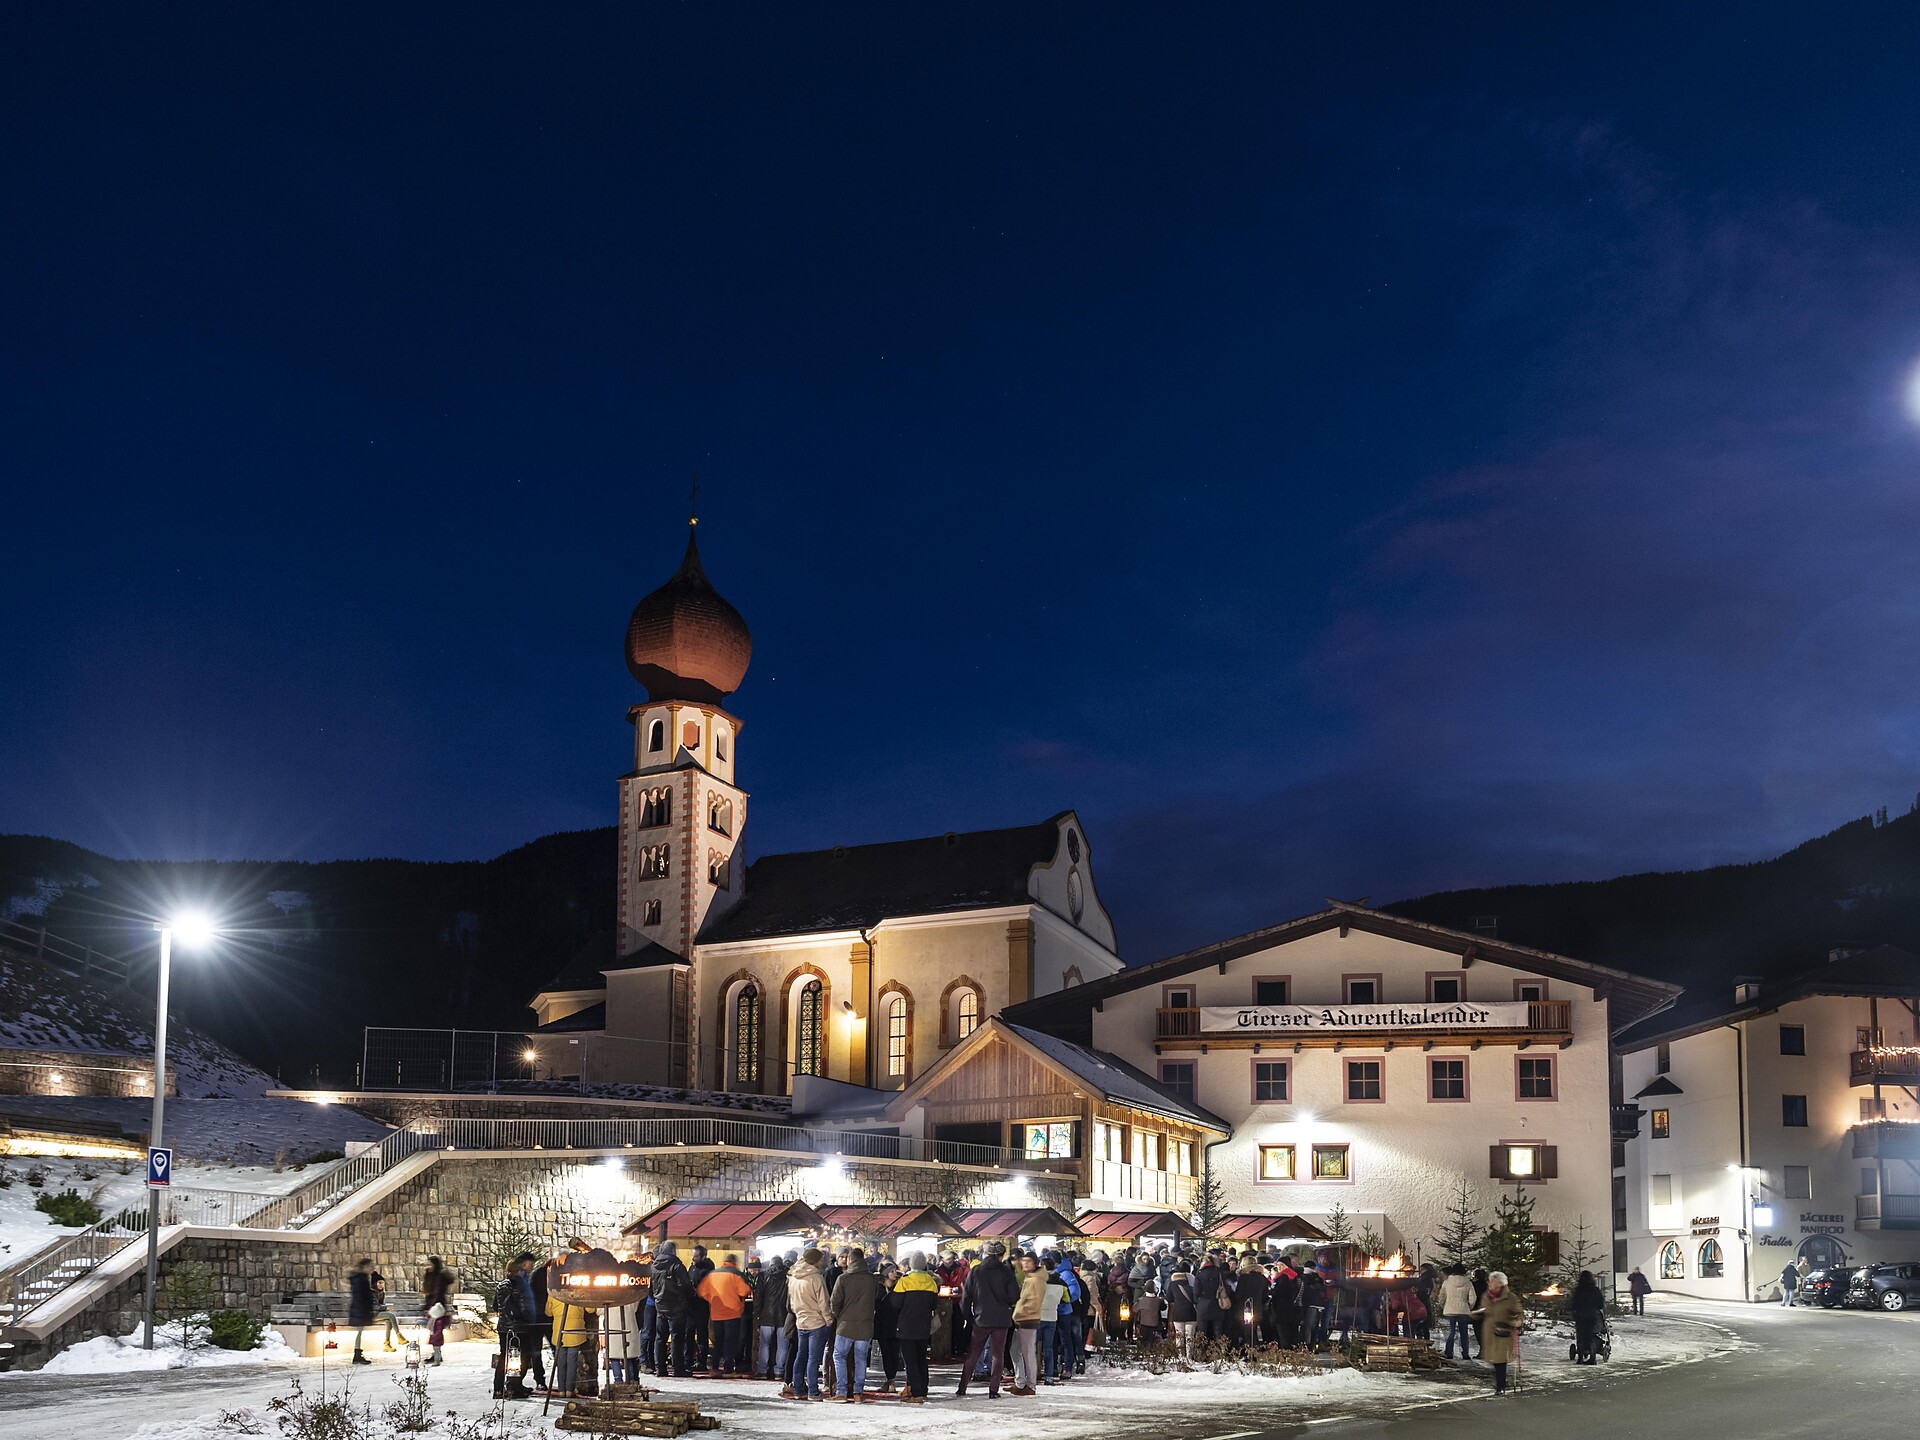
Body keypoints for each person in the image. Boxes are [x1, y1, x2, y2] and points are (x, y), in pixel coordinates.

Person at [956, 1241, 1018, 1398]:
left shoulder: (976, 1271)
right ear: (1001, 1255)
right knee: (998, 1354)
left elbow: (965, 1298)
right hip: (1001, 1319)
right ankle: (993, 1390)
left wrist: (970, 1318)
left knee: (973, 1353)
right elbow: (1014, 1296)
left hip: (981, 1318)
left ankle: (962, 1387)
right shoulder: (1006, 1272)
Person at [828, 1247, 879, 1402]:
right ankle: (858, 1392)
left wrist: (840, 1316)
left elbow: (834, 1302)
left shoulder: (843, 1278)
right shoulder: (872, 1279)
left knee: (839, 1356)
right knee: (861, 1358)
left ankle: (842, 1391)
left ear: (850, 1260)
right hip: (866, 1324)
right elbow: (875, 1298)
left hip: (845, 1324)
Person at [891, 1253, 939, 1404]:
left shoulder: (905, 1281)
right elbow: (934, 1304)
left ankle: (916, 1394)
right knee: (921, 1359)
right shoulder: (930, 1281)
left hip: (907, 1326)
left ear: (911, 1264)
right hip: (924, 1327)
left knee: (910, 1361)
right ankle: (923, 1390)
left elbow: (895, 1303)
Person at [787, 1248, 832, 1401]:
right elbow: (823, 1302)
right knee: (813, 1357)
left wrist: (799, 1314)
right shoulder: (816, 1278)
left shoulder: (793, 1276)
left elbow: (792, 1303)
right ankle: (813, 1391)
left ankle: (798, 1389)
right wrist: (828, 1320)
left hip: (801, 1321)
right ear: (816, 1260)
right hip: (816, 1322)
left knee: (801, 1355)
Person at [698, 1253, 754, 1375]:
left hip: (716, 1313)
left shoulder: (712, 1274)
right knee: (730, 1342)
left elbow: (701, 1291)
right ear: (734, 1263)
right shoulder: (736, 1274)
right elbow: (745, 1291)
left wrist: (712, 1300)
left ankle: (715, 1368)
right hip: (733, 1313)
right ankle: (728, 1369)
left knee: (717, 1342)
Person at [1472, 1270, 1525, 1395]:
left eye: (1491, 1282)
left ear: (1499, 1284)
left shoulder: (1510, 1297)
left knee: (1500, 1360)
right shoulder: (1486, 1295)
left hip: (1503, 1331)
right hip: (1489, 1331)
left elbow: (1519, 1312)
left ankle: (1500, 1386)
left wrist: (1518, 1321)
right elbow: (1484, 1310)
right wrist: (1476, 1314)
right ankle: (1501, 1382)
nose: (1489, 1284)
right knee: (1494, 1360)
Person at [649, 1242, 695, 1379]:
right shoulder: (676, 1265)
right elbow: (685, 1285)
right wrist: (689, 1295)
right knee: (677, 1338)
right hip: (676, 1307)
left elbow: (650, 1288)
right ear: (673, 1250)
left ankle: (660, 1369)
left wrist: (657, 1299)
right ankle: (677, 1368)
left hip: (660, 1306)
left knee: (660, 1338)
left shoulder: (653, 1266)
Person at [1011, 1251, 1048, 1395]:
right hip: (1023, 1318)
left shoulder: (1036, 1280)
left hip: (1028, 1318)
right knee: (1016, 1350)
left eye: (1028, 1261)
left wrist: (1020, 1310)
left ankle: (1031, 1385)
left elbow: (1034, 1301)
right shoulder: (1030, 1278)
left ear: (1035, 1263)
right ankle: (1021, 1382)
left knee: (1027, 1352)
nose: (1025, 1263)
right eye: (1023, 1260)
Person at [755, 1254, 790, 1380]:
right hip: (784, 1316)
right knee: (782, 1345)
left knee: (765, 1344)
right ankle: (779, 1371)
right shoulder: (788, 1276)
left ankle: (763, 1370)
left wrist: (758, 1314)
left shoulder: (763, 1276)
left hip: (767, 1315)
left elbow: (759, 1297)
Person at [419, 1256, 453, 1367]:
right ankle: (436, 1354)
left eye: (429, 1264)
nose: (427, 1266)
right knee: (434, 1331)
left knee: (436, 1331)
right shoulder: (431, 1275)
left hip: (436, 1307)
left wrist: (429, 1307)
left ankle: (437, 1356)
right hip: (434, 1306)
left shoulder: (438, 1277)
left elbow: (436, 1293)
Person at [874, 1261, 901, 1394]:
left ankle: (891, 1380)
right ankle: (890, 1380)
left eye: (895, 1271)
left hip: (895, 1324)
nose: (895, 1274)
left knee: (894, 1353)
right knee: (886, 1353)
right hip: (882, 1324)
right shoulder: (878, 1287)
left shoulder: (899, 1286)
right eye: (892, 1272)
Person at [1438, 1263, 1475, 1359]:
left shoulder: (1446, 1282)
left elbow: (1441, 1297)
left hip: (1449, 1310)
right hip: (1463, 1311)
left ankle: (1449, 1352)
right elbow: (1472, 1298)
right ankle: (1465, 1354)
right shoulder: (1468, 1282)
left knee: (1451, 1332)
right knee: (1464, 1333)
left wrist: (1444, 1306)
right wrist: (1468, 1307)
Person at [348, 1258, 378, 1365]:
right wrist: (366, 1311)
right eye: (370, 1266)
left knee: (360, 1332)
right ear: (364, 1267)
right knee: (359, 1332)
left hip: (360, 1310)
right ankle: (357, 1354)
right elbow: (360, 1297)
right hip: (360, 1311)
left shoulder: (361, 1278)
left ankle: (357, 1353)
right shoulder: (360, 1279)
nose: (372, 1268)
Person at [1570, 1271, 1605, 1363]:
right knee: (1591, 1335)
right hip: (1592, 1314)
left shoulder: (1579, 1290)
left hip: (1581, 1314)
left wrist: (1574, 1310)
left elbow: (1574, 1303)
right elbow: (1600, 1304)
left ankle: (1580, 1358)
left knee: (1581, 1335)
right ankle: (1592, 1358)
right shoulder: (1595, 1290)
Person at [1166, 1264, 1198, 1357]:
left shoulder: (1172, 1284)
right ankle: (1189, 1356)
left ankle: (1180, 1356)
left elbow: (1169, 1299)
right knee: (1190, 1336)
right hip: (1191, 1313)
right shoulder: (1191, 1284)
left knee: (1179, 1336)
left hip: (1178, 1313)